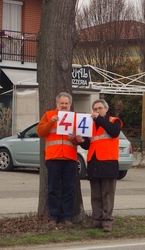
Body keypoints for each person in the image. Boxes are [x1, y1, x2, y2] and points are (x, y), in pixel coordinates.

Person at [76, 99, 123, 232]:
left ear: (106, 109)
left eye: (99, 108)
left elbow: (114, 132)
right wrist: (81, 141)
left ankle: (107, 221)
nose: (97, 111)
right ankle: (97, 219)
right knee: (96, 194)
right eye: (95, 109)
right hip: (94, 162)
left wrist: (100, 119)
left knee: (108, 194)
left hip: (108, 162)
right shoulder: (91, 124)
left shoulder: (114, 121)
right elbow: (88, 144)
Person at [37, 92, 79, 227]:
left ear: (70, 104)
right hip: (53, 157)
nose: (64, 106)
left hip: (70, 158)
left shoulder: (75, 118)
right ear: (57, 104)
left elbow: (82, 139)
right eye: (62, 103)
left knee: (69, 189)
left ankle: (67, 217)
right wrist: (51, 122)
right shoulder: (49, 115)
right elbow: (40, 132)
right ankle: (53, 217)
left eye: (66, 103)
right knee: (52, 189)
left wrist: (76, 139)